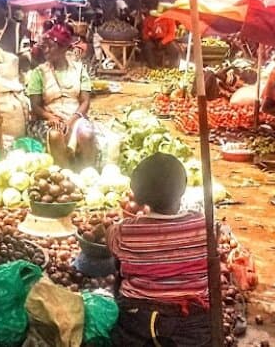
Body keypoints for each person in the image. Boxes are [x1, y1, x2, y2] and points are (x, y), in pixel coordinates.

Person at [108, 153, 211, 347]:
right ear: (183, 188)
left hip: (138, 323)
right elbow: (215, 242)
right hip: (192, 325)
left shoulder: (126, 231)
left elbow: (110, 243)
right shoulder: (202, 225)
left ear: (137, 194)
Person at [26, 27, 97, 169]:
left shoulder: (79, 70)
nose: (46, 51)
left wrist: (71, 121)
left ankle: (87, 175)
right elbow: (35, 106)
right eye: (44, 47)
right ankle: (65, 175)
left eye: (50, 47)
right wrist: (50, 117)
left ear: (64, 48)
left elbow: (85, 102)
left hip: (75, 117)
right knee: (55, 136)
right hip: (49, 119)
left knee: (86, 134)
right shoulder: (38, 73)